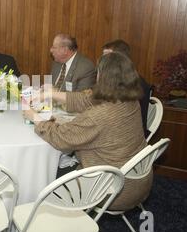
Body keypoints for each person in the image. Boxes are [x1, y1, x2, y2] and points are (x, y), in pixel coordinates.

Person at [24, 52, 149, 211]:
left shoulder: (99, 116)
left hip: (115, 189)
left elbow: (60, 137)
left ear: (103, 78)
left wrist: (34, 116)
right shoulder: (129, 100)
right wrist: (52, 94)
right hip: (136, 178)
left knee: (43, 178)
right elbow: (86, 100)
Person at [102, 39, 152, 137]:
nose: (102, 60)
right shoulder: (125, 77)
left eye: (107, 56)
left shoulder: (133, 83)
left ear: (120, 58)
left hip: (128, 135)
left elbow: (114, 115)